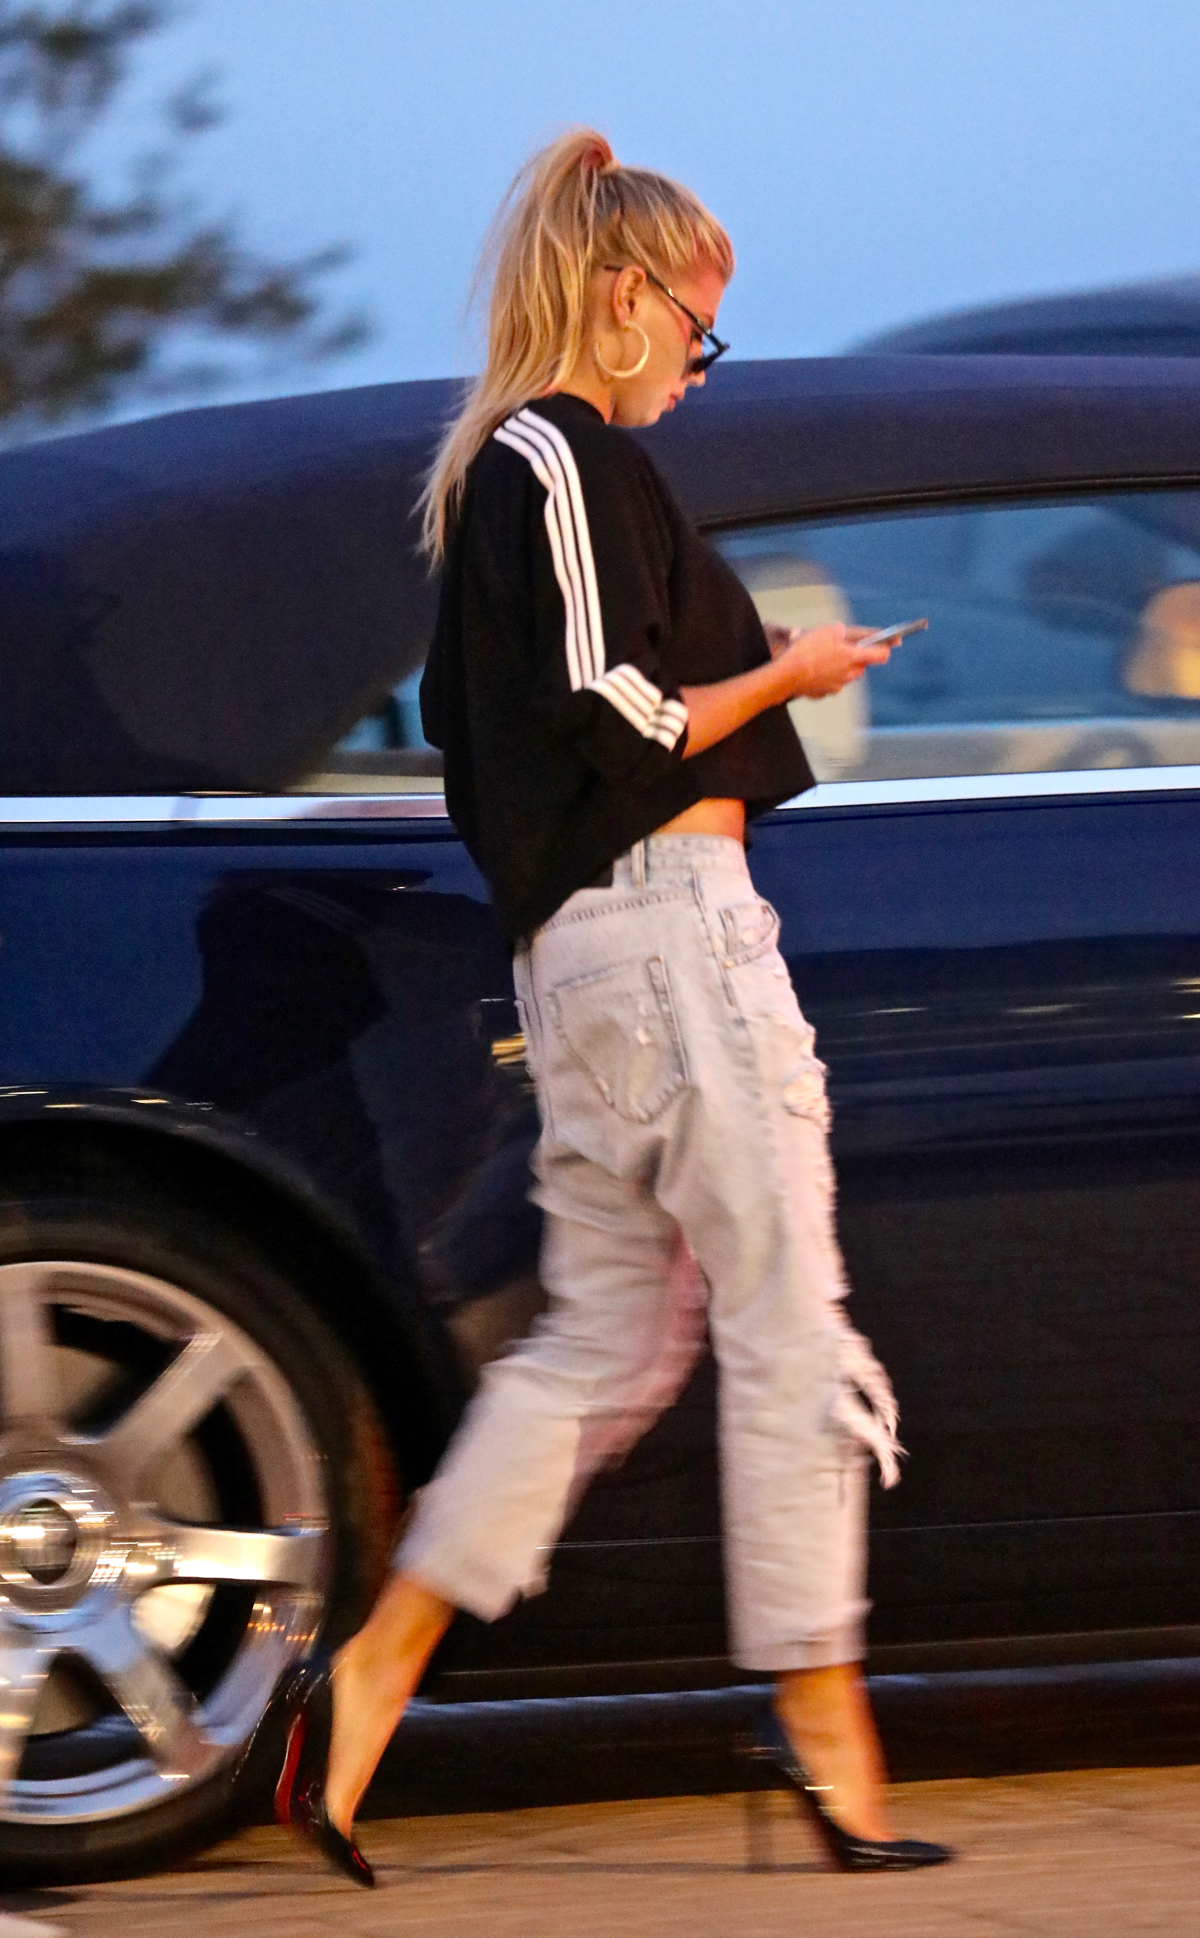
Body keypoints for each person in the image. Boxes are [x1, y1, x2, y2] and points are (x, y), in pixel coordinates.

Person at [269, 127, 952, 1884]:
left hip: (602, 963)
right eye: (702, 331)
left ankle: (370, 1678)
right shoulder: (554, 454)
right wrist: (790, 672)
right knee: (788, 1324)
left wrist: (763, 679)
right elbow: (614, 705)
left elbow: (523, 725)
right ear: (625, 294)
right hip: (670, 948)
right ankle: (823, 1718)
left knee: (607, 1349)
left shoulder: (523, 475)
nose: (702, 371)